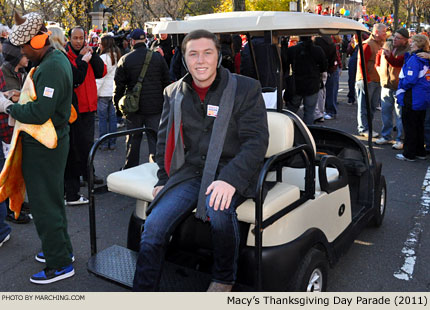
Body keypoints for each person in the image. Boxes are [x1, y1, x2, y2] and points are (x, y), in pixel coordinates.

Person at [132, 29, 269, 292]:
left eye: (208, 53)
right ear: (184, 59)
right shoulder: (173, 92)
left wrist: (230, 180)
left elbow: (256, 142)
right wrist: (164, 180)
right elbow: (164, 142)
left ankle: (223, 278)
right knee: (153, 227)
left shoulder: (245, 88)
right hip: (190, 173)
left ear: (218, 56)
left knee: (218, 209)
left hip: (230, 170)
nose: (201, 60)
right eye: (193, 54)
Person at [6, 11, 74, 283]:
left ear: (36, 42)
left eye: (23, 47)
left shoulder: (52, 66)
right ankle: (60, 250)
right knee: (52, 201)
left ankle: (59, 264)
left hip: (45, 144)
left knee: (45, 205)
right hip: (49, 141)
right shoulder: (54, 59)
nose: (22, 53)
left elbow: (40, 111)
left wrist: (10, 107)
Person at [114, 29, 170, 169]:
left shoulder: (125, 59)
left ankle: (130, 169)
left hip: (134, 108)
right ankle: (157, 170)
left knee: (133, 140)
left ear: (132, 41)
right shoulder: (157, 58)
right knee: (155, 139)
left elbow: (119, 86)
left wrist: (118, 108)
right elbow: (167, 81)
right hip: (155, 106)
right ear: (145, 40)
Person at [65, 26, 106, 186]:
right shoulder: (66, 55)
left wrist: (93, 55)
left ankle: (89, 174)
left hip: (89, 106)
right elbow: (73, 77)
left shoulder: (89, 52)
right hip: (74, 107)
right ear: (69, 38)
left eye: (81, 38)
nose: (78, 41)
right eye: (75, 38)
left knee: (88, 143)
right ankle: (77, 177)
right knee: (75, 145)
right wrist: (80, 59)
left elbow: (101, 72)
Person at [1, 39, 32, 223]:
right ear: (15, 57)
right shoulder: (3, 73)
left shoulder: (21, 71)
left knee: (16, 166)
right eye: (22, 52)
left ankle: (16, 201)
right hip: (6, 127)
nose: (26, 54)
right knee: (8, 167)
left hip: (16, 125)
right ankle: (10, 209)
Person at [395, 34, 430, 161]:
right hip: (423, 96)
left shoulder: (415, 59)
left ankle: (409, 154)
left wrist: (401, 87)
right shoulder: (426, 59)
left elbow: (410, 79)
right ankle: (420, 151)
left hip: (412, 96)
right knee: (419, 125)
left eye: (413, 42)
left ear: (418, 44)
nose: (410, 44)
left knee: (410, 126)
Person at [375, 28, 410, 150]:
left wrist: (388, 57)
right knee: (386, 113)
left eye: (398, 38)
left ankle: (401, 139)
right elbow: (379, 56)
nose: (394, 39)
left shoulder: (408, 51)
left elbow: (397, 63)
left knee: (399, 114)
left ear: (405, 40)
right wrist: (378, 67)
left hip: (399, 87)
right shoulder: (388, 44)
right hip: (386, 84)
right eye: (394, 36)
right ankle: (386, 136)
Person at [285, 36, 327, 125]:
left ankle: (289, 128)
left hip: (296, 84)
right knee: (309, 112)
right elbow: (324, 66)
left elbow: (285, 65)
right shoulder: (317, 50)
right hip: (312, 83)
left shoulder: (292, 50)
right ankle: (308, 132)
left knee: (292, 110)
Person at [356, 23, 387, 137]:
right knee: (364, 106)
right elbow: (361, 63)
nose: (386, 34)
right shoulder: (368, 45)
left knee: (372, 107)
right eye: (384, 31)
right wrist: (366, 79)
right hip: (367, 80)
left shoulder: (380, 44)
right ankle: (363, 129)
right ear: (377, 32)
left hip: (376, 80)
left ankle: (367, 128)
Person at [96, 35, 120, 151]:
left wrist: (95, 92)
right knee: (112, 118)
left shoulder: (104, 58)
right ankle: (113, 142)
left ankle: (104, 142)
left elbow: (100, 77)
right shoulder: (117, 56)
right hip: (113, 91)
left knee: (102, 119)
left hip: (103, 92)